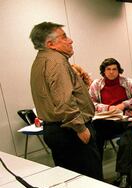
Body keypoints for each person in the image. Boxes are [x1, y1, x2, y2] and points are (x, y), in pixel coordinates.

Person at [29, 21, 102, 179]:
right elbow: (64, 100)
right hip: (71, 132)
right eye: (64, 37)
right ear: (51, 44)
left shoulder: (40, 61)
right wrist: (80, 128)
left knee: (71, 181)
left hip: (55, 130)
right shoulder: (57, 61)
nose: (70, 40)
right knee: (91, 182)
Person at [89, 58, 132, 160]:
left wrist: (124, 104)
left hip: (125, 119)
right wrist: (107, 107)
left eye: (114, 69)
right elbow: (90, 103)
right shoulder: (96, 84)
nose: (111, 72)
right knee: (94, 134)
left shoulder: (128, 82)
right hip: (106, 120)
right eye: (108, 69)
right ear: (103, 71)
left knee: (129, 133)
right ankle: (96, 170)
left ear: (118, 70)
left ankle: (124, 172)